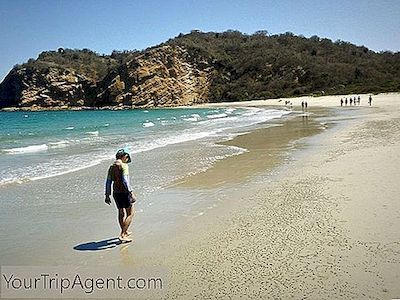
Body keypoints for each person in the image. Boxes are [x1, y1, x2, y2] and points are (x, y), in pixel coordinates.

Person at [105, 148, 136, 242]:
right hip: (124, 192)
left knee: (121, 212)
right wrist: (131, 192)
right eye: (127, 157)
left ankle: (125, 231)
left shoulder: (111, 167)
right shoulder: (124, 166)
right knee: (131, 213)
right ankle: (122, 234)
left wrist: (107, 195)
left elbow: (108, 182)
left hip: (116, 192)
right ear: (124, 157)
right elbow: (125, 181)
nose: (127, 159)